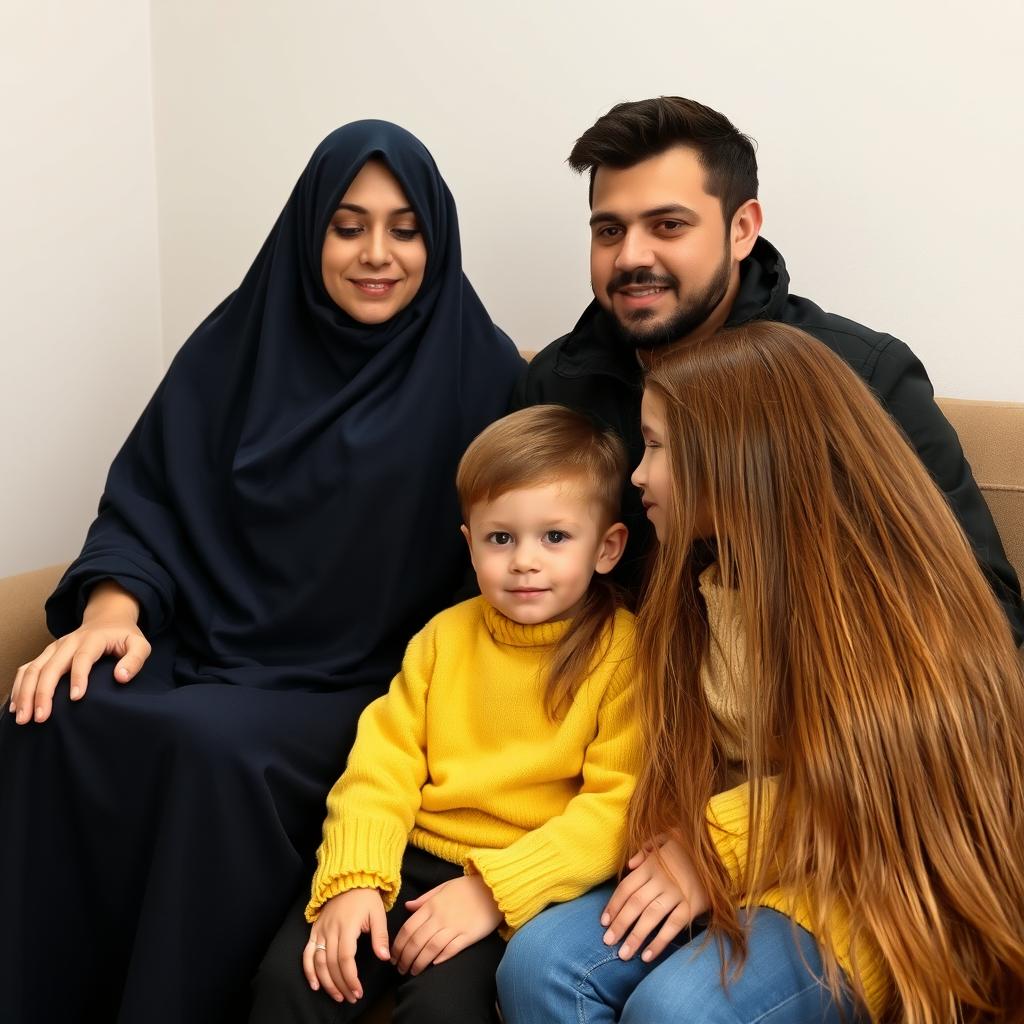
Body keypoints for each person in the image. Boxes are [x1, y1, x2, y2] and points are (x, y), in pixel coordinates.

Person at [0, 121, 523, 1024]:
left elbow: (518, 563)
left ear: (435, 241)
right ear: (307, 230)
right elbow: (149, 501)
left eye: (404, 229)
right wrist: (110, 613)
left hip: (368, 689)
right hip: (209, 644)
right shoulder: (234, 345)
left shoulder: (484, 378)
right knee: (56, 715)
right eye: (348, 225)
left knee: (212, 753)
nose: (377, 254)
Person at [498, 323, 1024, 1023]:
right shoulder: (691, 582)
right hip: (722, 865)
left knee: (677, 1011)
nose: (636, 475)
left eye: (656, 446)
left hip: (863, 883)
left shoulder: (882, 594)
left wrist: (709, 848)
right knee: (539, 969)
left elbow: (882, 779)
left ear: (738, 456)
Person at [514, 95, 1024, 643]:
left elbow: (985, 615)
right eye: (609, 230)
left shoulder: (861, 374)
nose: (632, 256)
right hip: (608, 708)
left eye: (667, 225)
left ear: (742, 229)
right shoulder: (558, 383)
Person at [249, 404, 641, 1023]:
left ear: (608, 547)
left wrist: (491, 893)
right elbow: (382, 763)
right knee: (294, 979)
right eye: (501, 538)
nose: (525, 561)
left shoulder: (626, 653)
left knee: (444, 1011)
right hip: (406, 859)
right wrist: (356, 877)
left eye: (555, 537)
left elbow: (616, 810)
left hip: (515, 888)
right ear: (471, 543)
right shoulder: (444, 637)